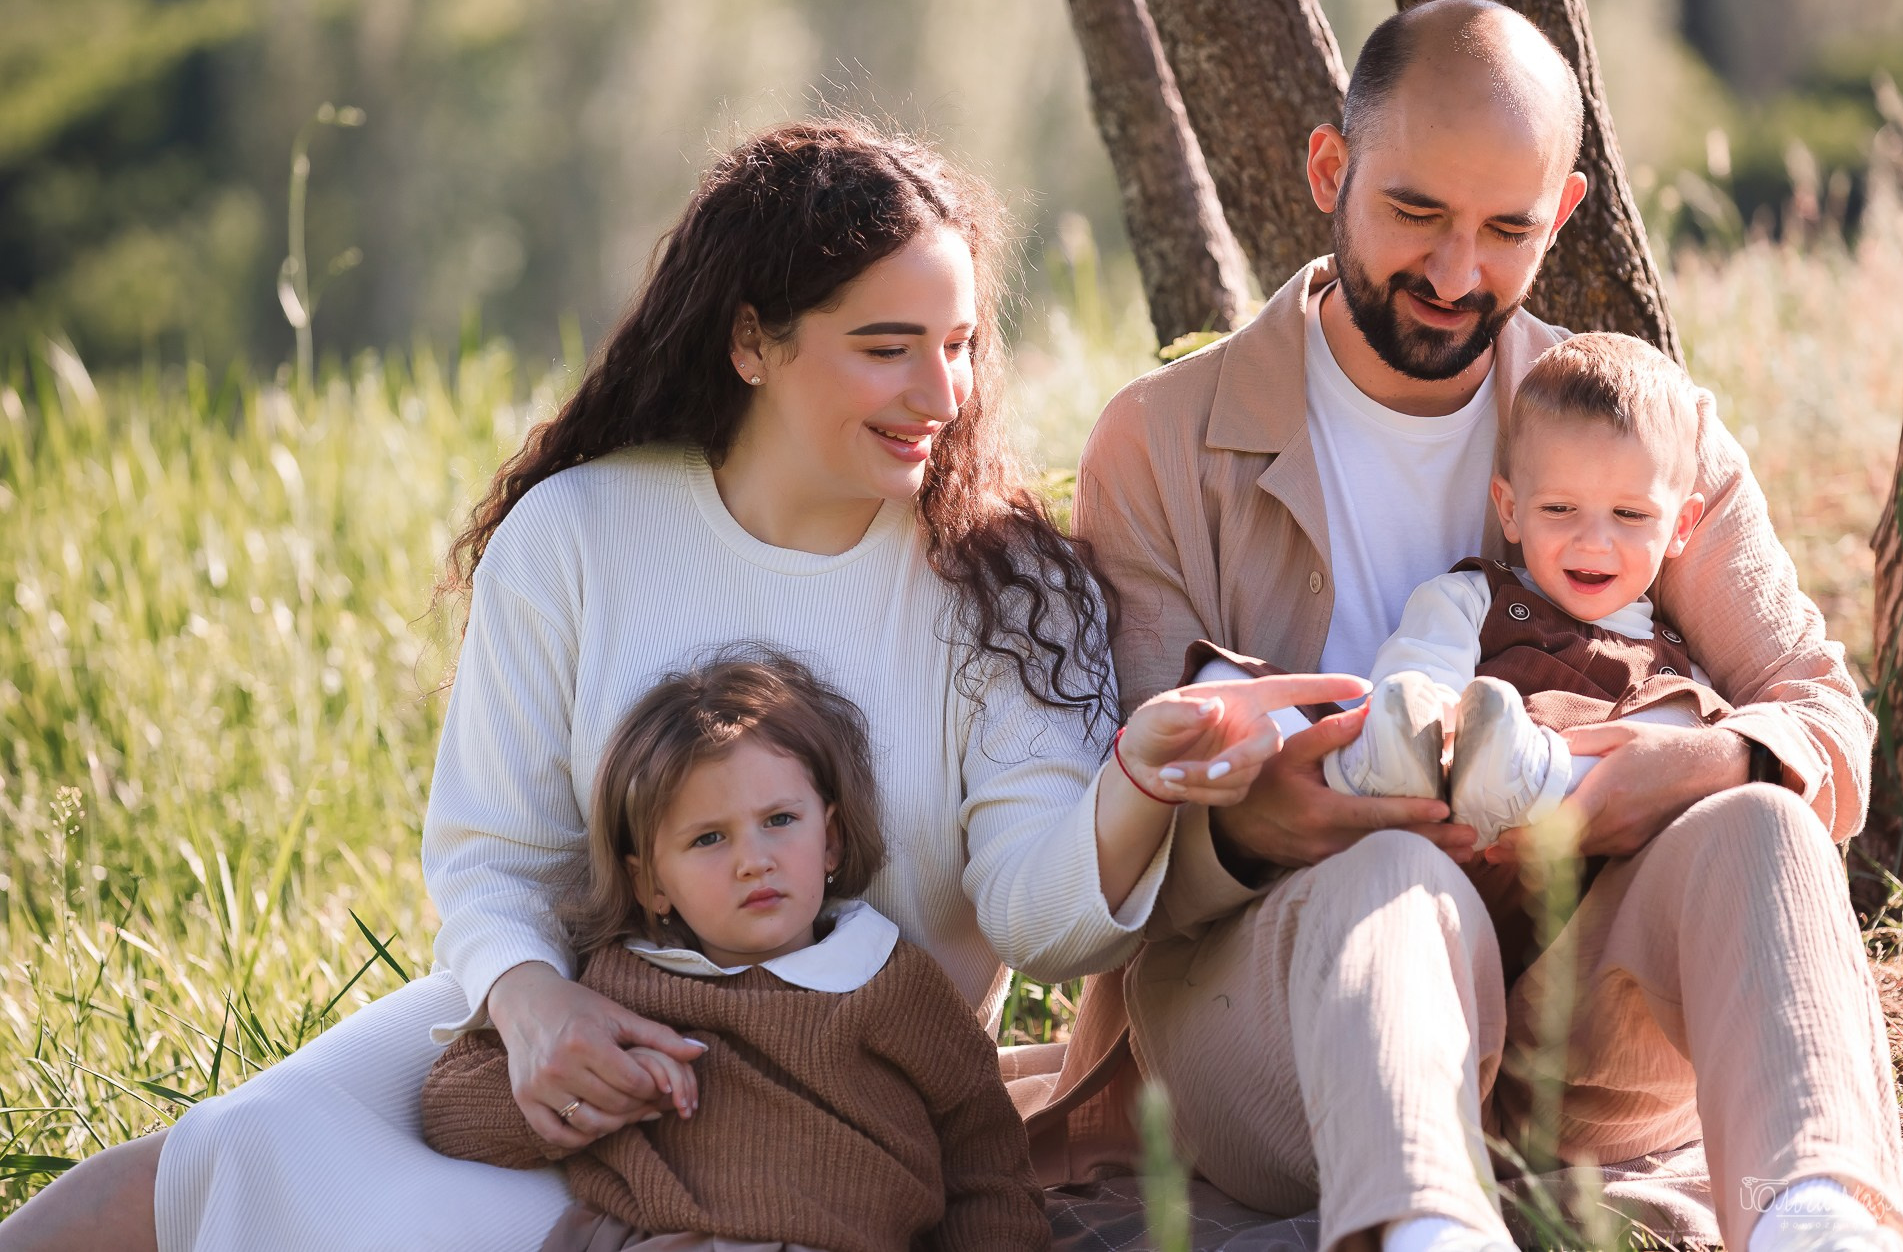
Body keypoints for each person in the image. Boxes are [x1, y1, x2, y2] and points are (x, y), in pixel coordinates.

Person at [0, 118, 1360, 1252]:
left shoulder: (999, 582)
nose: (939, 389)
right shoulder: (581, 533)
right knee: (237, 1147)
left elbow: (1040, 919)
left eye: (957, 344)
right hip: (579, 1018)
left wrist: (1132, 788)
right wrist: (536, 1013)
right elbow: (491, 858)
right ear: (754, 340)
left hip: (817, 1096)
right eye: (887, 344)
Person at [1069, 0, 1903, 1252]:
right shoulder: (1158, 439)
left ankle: (1818, 1220)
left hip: (1583, 1037)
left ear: (1564, 213)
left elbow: (1821, 716)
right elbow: (1127, 820)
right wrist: (1253, 829)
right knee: (1391, 875)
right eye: (1414, 212)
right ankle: (1425, 1226)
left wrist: (1677, 767)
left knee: (1757, 815)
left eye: (1506, 229)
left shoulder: (1639, 424)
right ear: (1327, 170)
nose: (1457, 271)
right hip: (1281, 1022)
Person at [421, 650, 1051, 1252]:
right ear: (651, 883)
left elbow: (987, 1172)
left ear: (829, 841)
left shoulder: (895, 985)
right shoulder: (617, 989)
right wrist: (595, 1088)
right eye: (709, 838)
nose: (754, 861)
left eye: (779, 820)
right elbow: (449, 1108)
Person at [1326, 332, 1730, 852]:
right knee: (1405, 693)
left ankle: (1535, 772)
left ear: (1680, 526)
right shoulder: (1475, 598)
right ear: (1510, 509)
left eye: (1630, 515)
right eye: (1559, 509)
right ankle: (1389, 766)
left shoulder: (1672, 668)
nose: (1593, 541)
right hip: (1442, 831)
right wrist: (1425, 721)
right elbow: (1424, 664)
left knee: (1680, 728)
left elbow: (1682, 768)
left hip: (1572, 862)